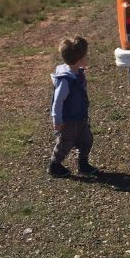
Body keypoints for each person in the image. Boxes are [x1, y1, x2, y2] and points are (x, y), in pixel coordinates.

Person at [48, 36, 96, 178]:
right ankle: (54, 165)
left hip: (81, 118)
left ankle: (83, 164)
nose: (87, 58)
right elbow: (58, 101)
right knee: (65, 144)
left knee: (87, 140)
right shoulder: (66, 80)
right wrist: (57, 119)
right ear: (79, 60)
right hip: (69, 121)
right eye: (86, 56)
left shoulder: (77, 73)